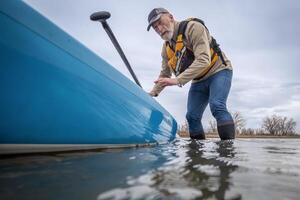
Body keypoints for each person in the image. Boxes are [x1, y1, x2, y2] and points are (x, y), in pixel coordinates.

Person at [147, 8, 235, 140]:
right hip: (199, 80)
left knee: (217, 105)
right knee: (192, 116)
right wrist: (152, 93)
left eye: (160, 22)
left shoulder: (193, 28)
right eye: (155, 27)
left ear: (171, 17)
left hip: (219, 70)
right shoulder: (166, 48)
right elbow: (165, 73)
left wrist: (178, 80)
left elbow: (204, 60)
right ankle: (196, 156)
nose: (159, 28)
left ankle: (228, 153)